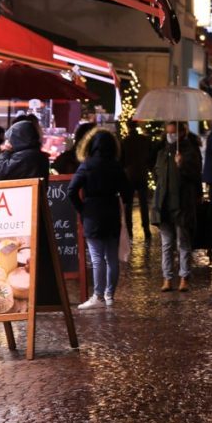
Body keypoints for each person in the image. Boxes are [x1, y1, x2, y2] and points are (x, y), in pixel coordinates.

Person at [69, 128, 132, 310]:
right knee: (112, 257)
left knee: (97, 258)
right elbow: (128, 192)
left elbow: (71, 190)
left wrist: (82, 209)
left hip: (92, 213)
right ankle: (109, 295)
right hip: (111, 212)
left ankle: (98, 296)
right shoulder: (115, 165)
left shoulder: (87, 165)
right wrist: (122, 206)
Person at [150, 123, 202, 292]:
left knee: (182, 242)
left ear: (181, 133)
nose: (170, 136)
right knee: (166, 244)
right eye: (168, 132)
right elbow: (157, 173)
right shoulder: (162, 151)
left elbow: (196, 176)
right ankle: (167, 278)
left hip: (182, 203)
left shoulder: (190, 151)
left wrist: (182, 165)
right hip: (163, 204)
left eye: (173, 133)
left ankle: (184, 277)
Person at [120, 121, 152, 241]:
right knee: (144, 204)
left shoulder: (125, 141)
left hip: (129, 176)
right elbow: (149, 157)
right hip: (142, 173)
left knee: (128, 205)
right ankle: (146, 229)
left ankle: (129, 230)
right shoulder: (144, 140)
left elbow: (122, 161)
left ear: (128, 128)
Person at [0, 116, 50, 180]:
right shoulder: (41, 156)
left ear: (17, 138)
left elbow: (0, 172)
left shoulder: (22, 156)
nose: (9, 141)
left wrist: (6, 150)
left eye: (11, 138)